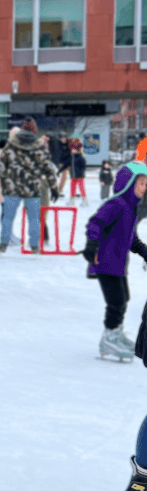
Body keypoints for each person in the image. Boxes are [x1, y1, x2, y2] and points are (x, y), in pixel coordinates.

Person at [83, 156, 147, 360]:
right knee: (117, 301)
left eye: (146, 184)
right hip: (104, 261)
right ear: (128, 184)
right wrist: (91, 244)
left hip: (118, 264)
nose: (144, 188)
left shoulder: (131, 207)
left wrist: (144, 250)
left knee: (123, 297)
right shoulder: (116, 204)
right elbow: (95, 223)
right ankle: (109, 339)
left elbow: (130, 238)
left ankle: (115, 333)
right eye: (141, 183)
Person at [0, 117, 58, 254]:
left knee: (8, 217)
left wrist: (4, 184)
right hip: (33, 188)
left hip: (12, 187)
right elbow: (48, 168)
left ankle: (4, 243)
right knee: (34, 218)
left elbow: (2, 166)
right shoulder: (40, 147)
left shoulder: (10, 146)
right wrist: (54, 187)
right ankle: (34, 245)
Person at [67, 137, 88, 206]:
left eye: (75, 149)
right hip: (73, 175)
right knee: (72, 188)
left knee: (81, 188)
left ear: (78, 150)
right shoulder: (71, 157)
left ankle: (85, 200)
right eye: (72, 149)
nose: (73, 150)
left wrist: (81, 173)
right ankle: (72, 200)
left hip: (79, 176)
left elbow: (83, 167)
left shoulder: (80, 157)